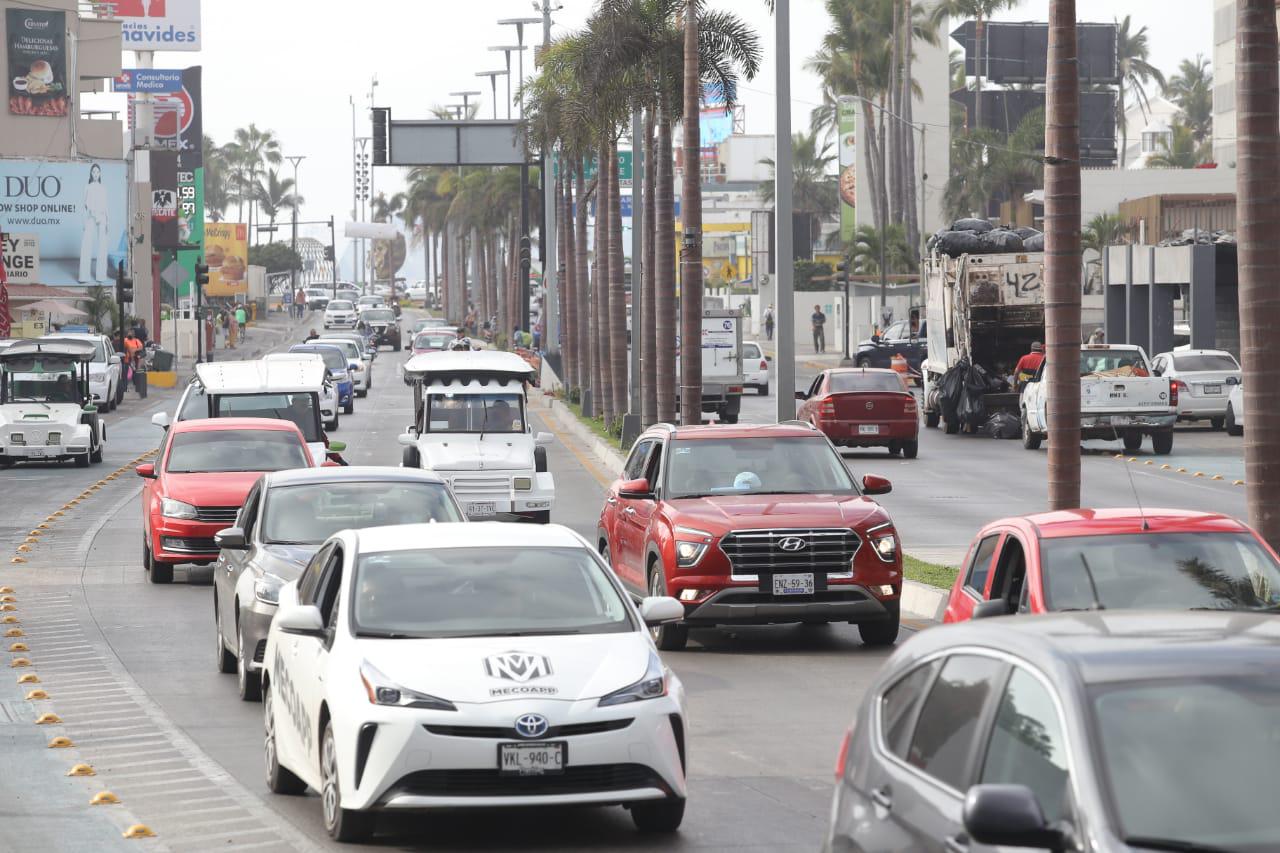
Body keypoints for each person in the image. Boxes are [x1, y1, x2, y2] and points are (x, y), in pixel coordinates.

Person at [79, 163, 111, 283]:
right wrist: (83, 221)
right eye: (93, 172)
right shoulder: (87, 187)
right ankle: (84, 276)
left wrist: (108, 221)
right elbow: (84, 206)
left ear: (100, 173)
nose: (95, 174)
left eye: (97, 172)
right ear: (91, 174)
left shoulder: (103, 188)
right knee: (86, 245)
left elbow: (106, 206)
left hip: (102, 217)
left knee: (102, 246)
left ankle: (101, 276)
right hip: (90, 217)